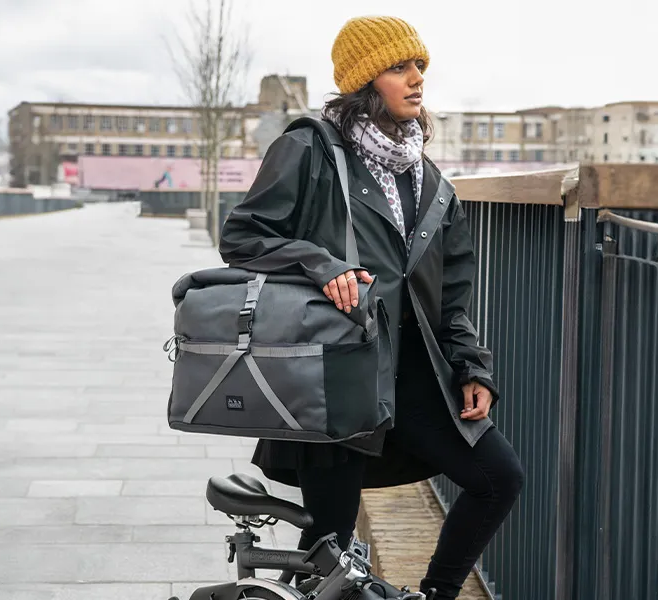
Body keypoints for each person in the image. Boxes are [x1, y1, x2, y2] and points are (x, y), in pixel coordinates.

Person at [218, 15, 525, 600]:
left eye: (420, 67)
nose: (416, 80)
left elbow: (452, 295)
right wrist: (320, 263)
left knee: (498, 477)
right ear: (363, 81)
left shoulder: (429, 179)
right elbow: (243, 235)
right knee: (330, 557)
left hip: (413, 375)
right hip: (336, 374)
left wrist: (470, 366)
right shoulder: (309, 148)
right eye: (398, 68)